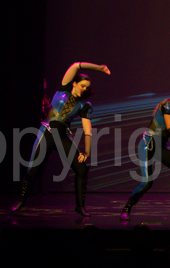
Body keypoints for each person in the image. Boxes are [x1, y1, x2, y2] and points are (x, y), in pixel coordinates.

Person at [13, 61, 111, 216]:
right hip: (46, 132)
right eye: (82, 85)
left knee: (81, 169)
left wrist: (86, 151)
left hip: (63, 136)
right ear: (74, 83)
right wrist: (98, 68)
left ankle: (80, 206)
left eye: (86, 87)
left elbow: (88, 130)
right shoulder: (63, 89)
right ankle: (22, 200)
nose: (84, 89)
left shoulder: (84, 105)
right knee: (32, 170)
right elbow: (76, 66)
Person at [120, 94, 170, 222]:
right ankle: (127, 208)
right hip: (148, 144)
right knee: (147, 183)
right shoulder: (168, 105)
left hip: (161, 147)